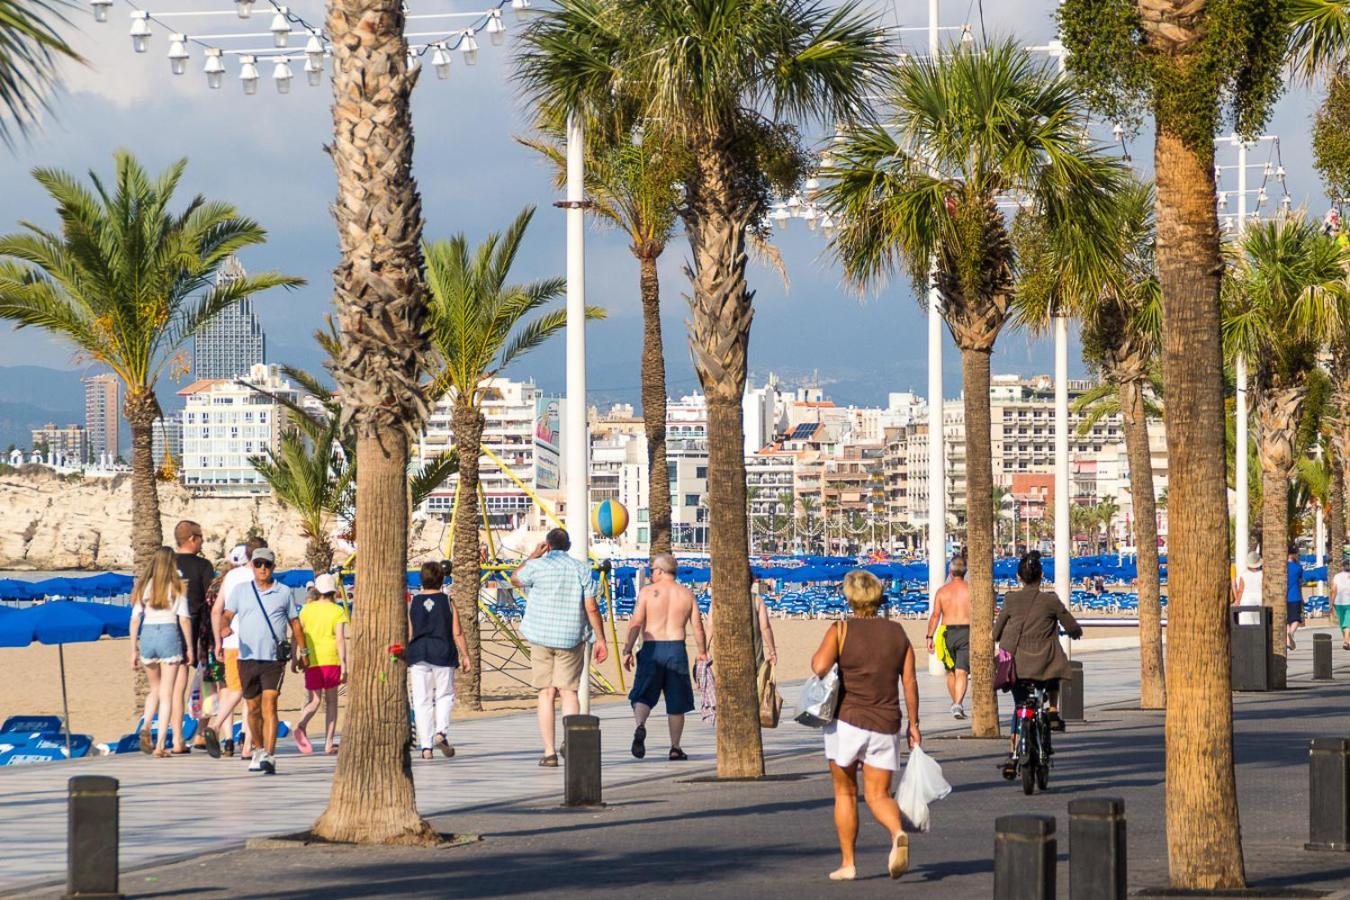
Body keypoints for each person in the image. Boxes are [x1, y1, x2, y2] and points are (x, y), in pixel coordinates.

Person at [810, 570, 920, 882]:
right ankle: (897, 831)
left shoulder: (841, 629)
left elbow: (818, 666)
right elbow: (910, 682)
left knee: (845, 792)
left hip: (847, 720)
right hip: (886, 722)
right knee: (879, 794)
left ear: (850, 598)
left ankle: (848, 863)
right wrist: (914, 724)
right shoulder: (897, 632)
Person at [510, 528, 609, 767]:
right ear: (569, 545)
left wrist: (534, 553)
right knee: (568, 692)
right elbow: (591, 608)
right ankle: (570, 741)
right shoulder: (581, 570)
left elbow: (514, 578)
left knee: (545, 692)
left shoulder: (537, 566)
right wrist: (601, 639)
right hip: (570, 636)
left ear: (549, 545)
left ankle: (549, 751)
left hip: (541, 635)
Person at [214, 547, 306, 774]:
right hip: (246, 658)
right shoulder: (241, 590)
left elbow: (295, 624)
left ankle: (270, 756)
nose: (263, 568)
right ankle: (258, 750)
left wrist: (303, 652)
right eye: (258, 564)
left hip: (274, 659)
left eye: (267, 564)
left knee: (270, 704)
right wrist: (224, 628)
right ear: (252, 566)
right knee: (253, 709)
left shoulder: (284, 592)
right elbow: (226, 614)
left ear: (273, 567)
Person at [993, 550, 1082, 775]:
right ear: (1041, 575)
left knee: (1020, 706)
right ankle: (1052, 711)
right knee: (1055, 669)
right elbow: (1070, 625)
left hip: (1018, 664)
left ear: (1019, 577)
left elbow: (996, 632)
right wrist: (1075, 632)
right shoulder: (1050, 600)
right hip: (1045, 662)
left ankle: (1013, 753)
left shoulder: (1011, 600)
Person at [621, 553, 708, 761]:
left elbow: (636, 622)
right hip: (676, 648)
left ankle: (641, 725)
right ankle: (675, 747)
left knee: (642, 694)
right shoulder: (686, 594)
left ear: (659, 571)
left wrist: (627, 649)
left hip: (652, 648)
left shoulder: (647, 592)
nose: (651, 573)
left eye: (652, 570)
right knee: (676, 700)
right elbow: (697, 627)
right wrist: (702, 651)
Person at [128, 546, 195, 758]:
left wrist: (133, 650)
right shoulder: (176, 587)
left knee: (154, 690)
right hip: (168, 633)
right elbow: (184, 619)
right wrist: (190, 647)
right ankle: (160, 746)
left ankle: (146, 724)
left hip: (147, 634)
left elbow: (135, 618)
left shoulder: (143, 587)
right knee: (167, 694)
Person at [406, 562, 471, 760]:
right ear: (442, 579)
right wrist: (466, 655)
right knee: (444, 695)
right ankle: (441, 732)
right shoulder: (448, 602)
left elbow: (409, 632)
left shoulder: (414, 602)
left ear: (421, 579)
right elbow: (457, 631)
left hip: (418, 654)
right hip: (443, 652)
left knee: (421, 700)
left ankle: (426, 748)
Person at [204, 541, 260, 758]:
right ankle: (244, 742)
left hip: (230, 642)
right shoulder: (258, 577)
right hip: (252, 642)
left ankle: (228, 739)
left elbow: (216, 611)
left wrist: (218, 641)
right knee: (248, 693)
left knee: (231, 689)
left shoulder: (230, 577)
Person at [295, 573, 351, 756]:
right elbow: (341, 639)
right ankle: (328, 743)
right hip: (331, 659)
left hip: (312, 661)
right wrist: (344, 665)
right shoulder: (337, 610)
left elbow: (298, 633)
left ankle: (301, 724)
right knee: (332, 702)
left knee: (315, 700)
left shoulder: (306, 610)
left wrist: (295, 657)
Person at [172, 520, 214, 749]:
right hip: (198, 626)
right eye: (200, 536)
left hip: (170, 627)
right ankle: (199, 732)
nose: (202, 540)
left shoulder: (166, 564)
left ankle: (177, 737)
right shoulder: (203, 566)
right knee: (206, 681)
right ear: (191, 539)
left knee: (177, 685)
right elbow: (210, 599)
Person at [925, 554, 970, 719]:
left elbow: (935, 615)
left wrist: (929, 636)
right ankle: (957, 704)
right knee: (962, 671)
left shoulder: (943, 591)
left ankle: (956, 704)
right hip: (966, 631)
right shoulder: (970, 589)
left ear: (950, 572)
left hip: (947, 632)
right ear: (964, 572)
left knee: (951, 672)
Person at [1232, 550, 1263, 626]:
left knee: (1248, 625)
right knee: (1260, 624)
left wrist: (1237, 602)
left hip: (1246, 601)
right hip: (1260, 600)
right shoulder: (1262, 574)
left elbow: (1240, 591)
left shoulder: (1244, 575)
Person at [1287, 546, 1304, 650]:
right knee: (1296, 618)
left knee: (1286, 620)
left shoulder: (1282, 566)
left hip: (1284, 597)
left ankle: (1288, 640)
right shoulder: (1298, 567)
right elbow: (1301, 582)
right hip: (1295, 596)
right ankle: (1291, 633)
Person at [1333, 559, 1350, 650]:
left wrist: (1331, 603)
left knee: (1343, 621)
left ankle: (1346, 640)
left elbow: (1334, 590)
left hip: (1338, 602)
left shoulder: (1337, 576)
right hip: (1348, 602)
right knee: (1348, 622)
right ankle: (1346, 641)